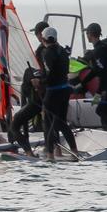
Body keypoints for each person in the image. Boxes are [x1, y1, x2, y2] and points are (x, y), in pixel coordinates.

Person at [8, 22, 49, 155]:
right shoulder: (57, 50)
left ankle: (29, 153)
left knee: (16, 124)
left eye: (37, 34)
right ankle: (54, 150)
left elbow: (42, 73)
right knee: (50, 123)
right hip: (51, 95)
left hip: (38, 96)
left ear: (39, 34)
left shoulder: (42, 52)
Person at [40, 27, 79, 160]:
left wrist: (40, 82)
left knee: (49, 122)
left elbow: (49, 74)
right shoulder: (63, 51)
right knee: (61, 122)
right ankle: (74, 151)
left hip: (53, 92)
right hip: (65, 90)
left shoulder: (46, 53)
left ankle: (50, 154)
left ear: (43, 39)